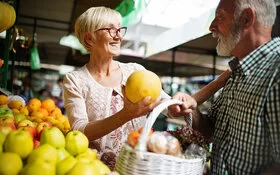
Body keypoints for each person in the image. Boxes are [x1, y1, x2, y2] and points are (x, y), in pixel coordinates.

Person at [168, 0, 280, 174]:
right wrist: (192, 110)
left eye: (219, 17)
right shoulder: (236, 72)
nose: (211, 27)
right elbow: (210, 132)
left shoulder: (276, 70)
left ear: (246, 18)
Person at [63, 6, 169, 169]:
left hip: (137, 168)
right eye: (110, 30)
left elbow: (167, 105)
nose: (118, 35)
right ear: (90, 39)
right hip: (94, 169)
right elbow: (80, 131)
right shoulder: (75, 80)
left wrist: (218, 82)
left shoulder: (135, 71)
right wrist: (126, 114)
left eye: (120, 29)